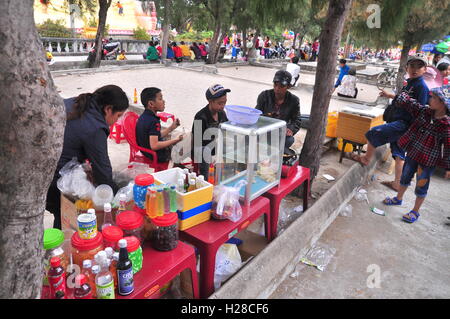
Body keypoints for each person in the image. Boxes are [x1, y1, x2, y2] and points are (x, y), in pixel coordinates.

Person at [46, 85, 129, 229]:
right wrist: (117, 196)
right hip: (53, 176)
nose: (117, 121)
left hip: (42, 164)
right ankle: (61, 247)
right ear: (108, 109)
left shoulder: (77, 102)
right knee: (64, 216)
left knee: (60, 213)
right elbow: (103, 170)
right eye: (118, 116)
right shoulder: (95, 127)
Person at [353, 53, 430, 192]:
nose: (415, 69)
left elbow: (421, 110)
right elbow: (403, 99)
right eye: (412, 65)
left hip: (404, 124)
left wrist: (410, 127)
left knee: (373, 133)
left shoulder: (422, 87)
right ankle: (397, 183)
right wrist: (391, 96)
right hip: (401, 122)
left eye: (419, 66)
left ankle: (366, 159)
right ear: (407, 67)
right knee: (398, 154)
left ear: (425, 69)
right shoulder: (411, 83)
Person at [382, 86, 450, 223]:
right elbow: (411, 104)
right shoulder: (425, 112)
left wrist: (448, 167)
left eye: (434, 97)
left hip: (427, 161)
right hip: (413, 153)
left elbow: (448, 147)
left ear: (442, 103)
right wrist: (399, 95)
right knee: (405, 177)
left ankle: (415, 211)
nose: (430, 98)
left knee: (421, 184)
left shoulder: (446, 125)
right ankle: (398, 198)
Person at [136, 88, 183, 169]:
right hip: (156, 155)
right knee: (182, 147)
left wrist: (171, 128)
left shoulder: (143, 117)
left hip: (145, 152)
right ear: (151, 104)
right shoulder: (154, 121)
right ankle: (178, 170)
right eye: (160, 99)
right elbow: (154, 145)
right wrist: (175, 141)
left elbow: (154, 136)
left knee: (173, 140)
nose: (164, 101)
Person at [256, 70, 301, 152]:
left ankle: (274, 153)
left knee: (289, 140)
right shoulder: (264, 95)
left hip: (280, 132)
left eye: (281, 86)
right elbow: (256, 114)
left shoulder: (294, 100)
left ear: (288, 86)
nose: (277, 89)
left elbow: (297, 120)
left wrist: (290, 129)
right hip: (264, 130)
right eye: (275, 85)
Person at [192, 84, 230, 178]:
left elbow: (226, 130)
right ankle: (205, 180)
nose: (223, 106)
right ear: (210, 101)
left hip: (217, 147)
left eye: (225, 102)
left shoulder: (221, 113)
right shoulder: (200, 117)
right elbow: (197, 144)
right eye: (220, 103)